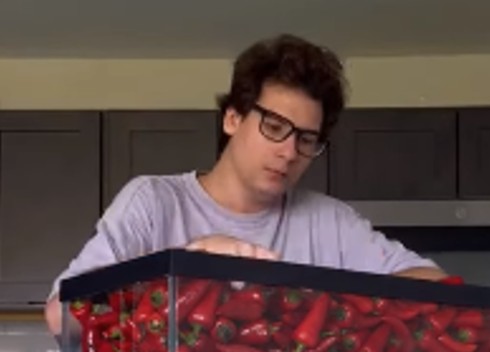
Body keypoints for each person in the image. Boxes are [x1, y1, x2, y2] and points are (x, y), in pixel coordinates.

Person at [45, 33, 445, 335]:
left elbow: (438, 288)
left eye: (306, 139)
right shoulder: (152, 202)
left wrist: (333, 300)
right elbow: (62, 316)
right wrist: (184, 265)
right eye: (274, 127)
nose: (289, 152)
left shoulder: (330, 222)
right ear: (232, 119)